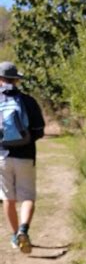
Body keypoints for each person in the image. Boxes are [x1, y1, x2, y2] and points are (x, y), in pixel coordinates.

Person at [0, 61, 45, 253]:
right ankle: (23, 230)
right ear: (16, 80)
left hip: (1, 156)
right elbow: (39, 130)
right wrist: (26, 139)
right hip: (26, 156)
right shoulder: (28, 101)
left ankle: (14, 236)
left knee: (8, 199)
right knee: (27, 196)